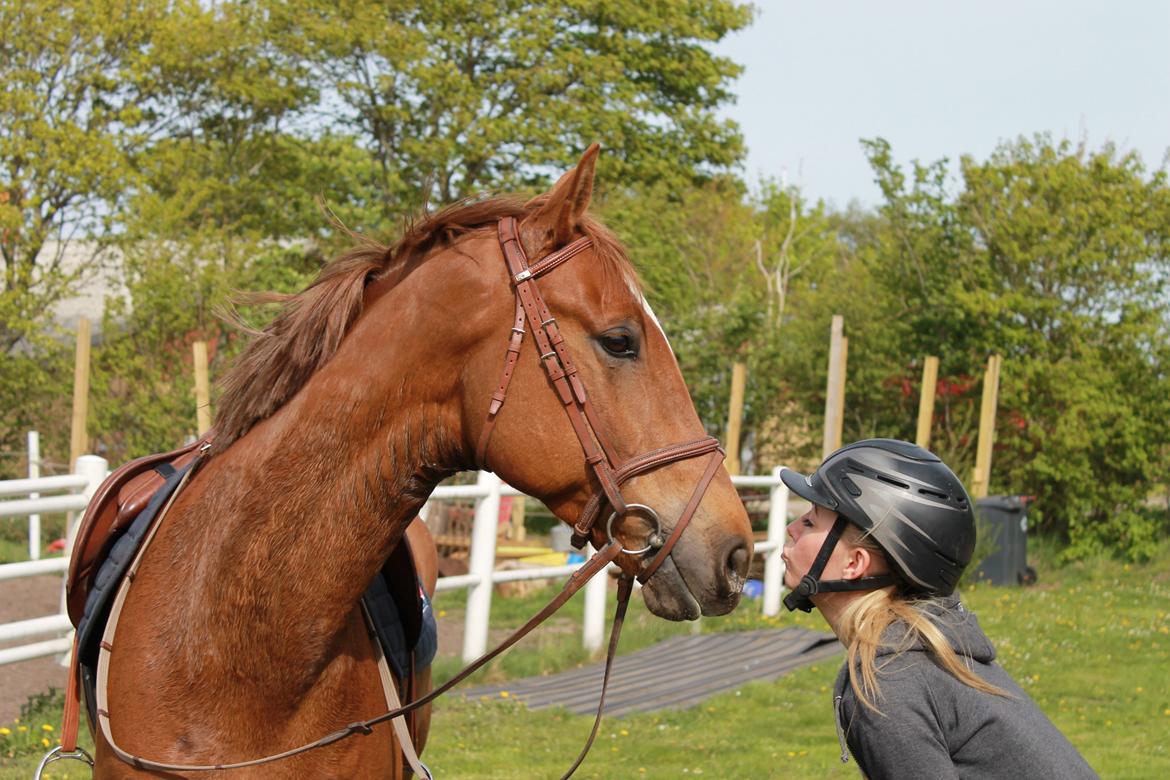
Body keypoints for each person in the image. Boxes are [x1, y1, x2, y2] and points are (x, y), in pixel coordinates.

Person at [779, 438, 1097, 779]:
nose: (790, 529)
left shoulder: (889, 685)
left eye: (810, 523)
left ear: (855, 563)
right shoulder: (920, 659)